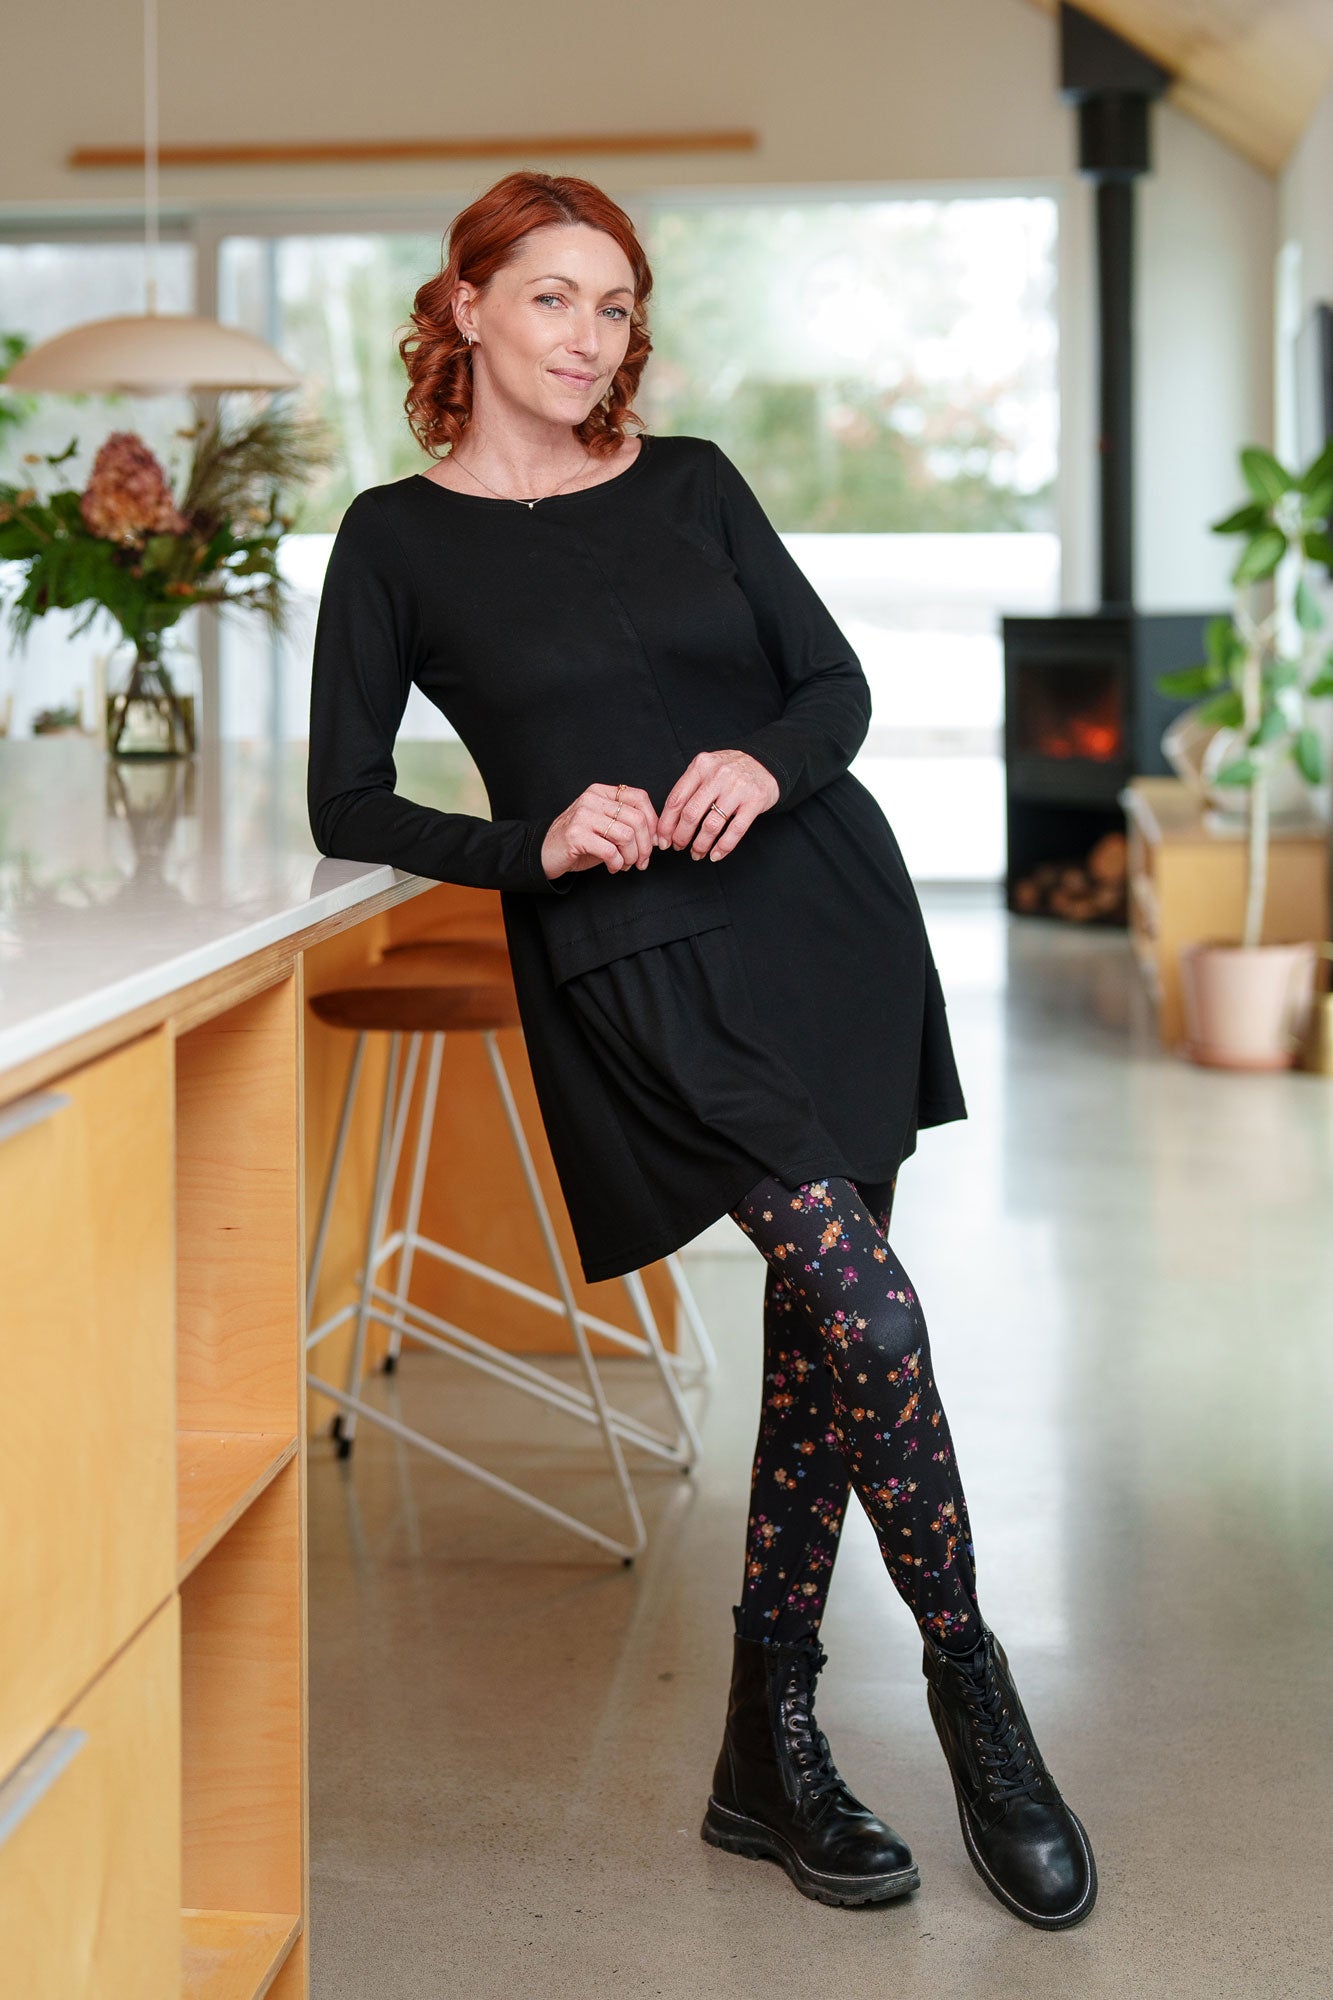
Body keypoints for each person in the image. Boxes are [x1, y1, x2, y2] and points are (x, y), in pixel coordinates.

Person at [306, 168, 1096, 1932]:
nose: (588, 339)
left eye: (613, 309)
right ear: (463, 309)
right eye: (552, 299)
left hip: (822, 922)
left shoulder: (695, 485)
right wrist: (531, 840)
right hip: (635, 963)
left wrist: (766, 764)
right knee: (870, 1307)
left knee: (824, 1346)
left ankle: (764, 1752)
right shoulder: (395, 536)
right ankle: (981, 1707)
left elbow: (832, 691)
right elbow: (341, 799)